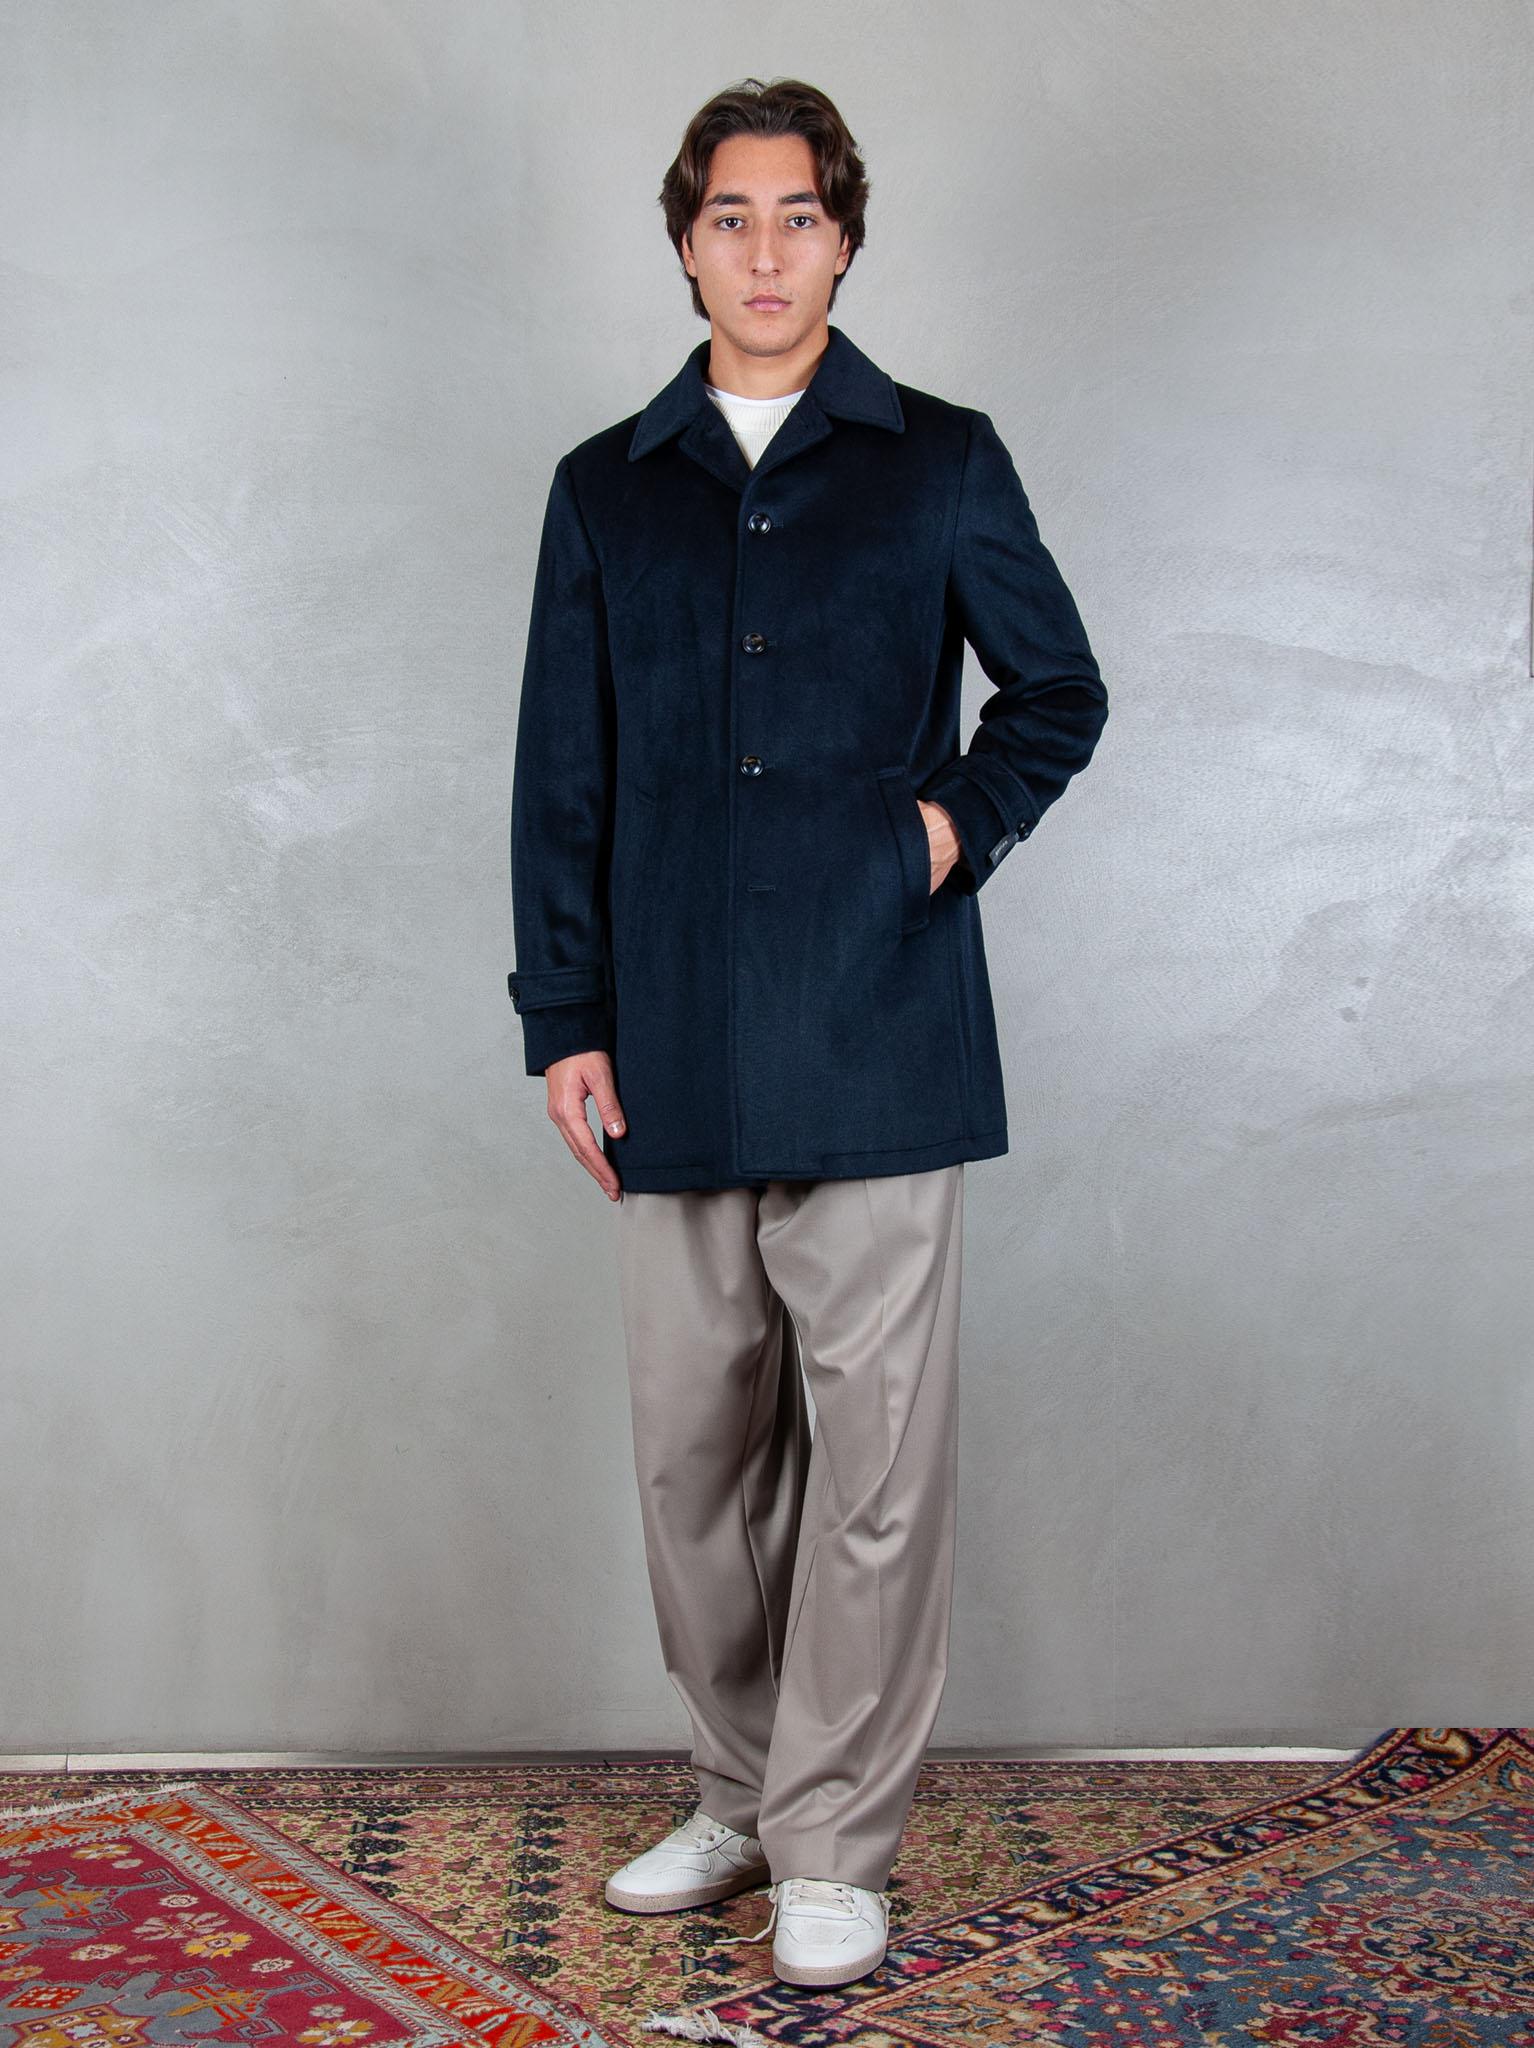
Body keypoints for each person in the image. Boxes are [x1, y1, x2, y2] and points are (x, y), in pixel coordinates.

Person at [507, 76, 1108, 1990]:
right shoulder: (606, 486)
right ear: (684, 243)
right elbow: (562, 773)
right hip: (668, 1038)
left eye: (797, 216)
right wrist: (563, 1015)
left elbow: (1056, 692)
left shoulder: (940, 461)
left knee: (872, 1469)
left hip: (876, 1028)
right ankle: (742, 1789)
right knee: (695, 1463)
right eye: (729, 218)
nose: (764, 252)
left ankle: (835, 1840)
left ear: (844, 239)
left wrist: (945, 827)